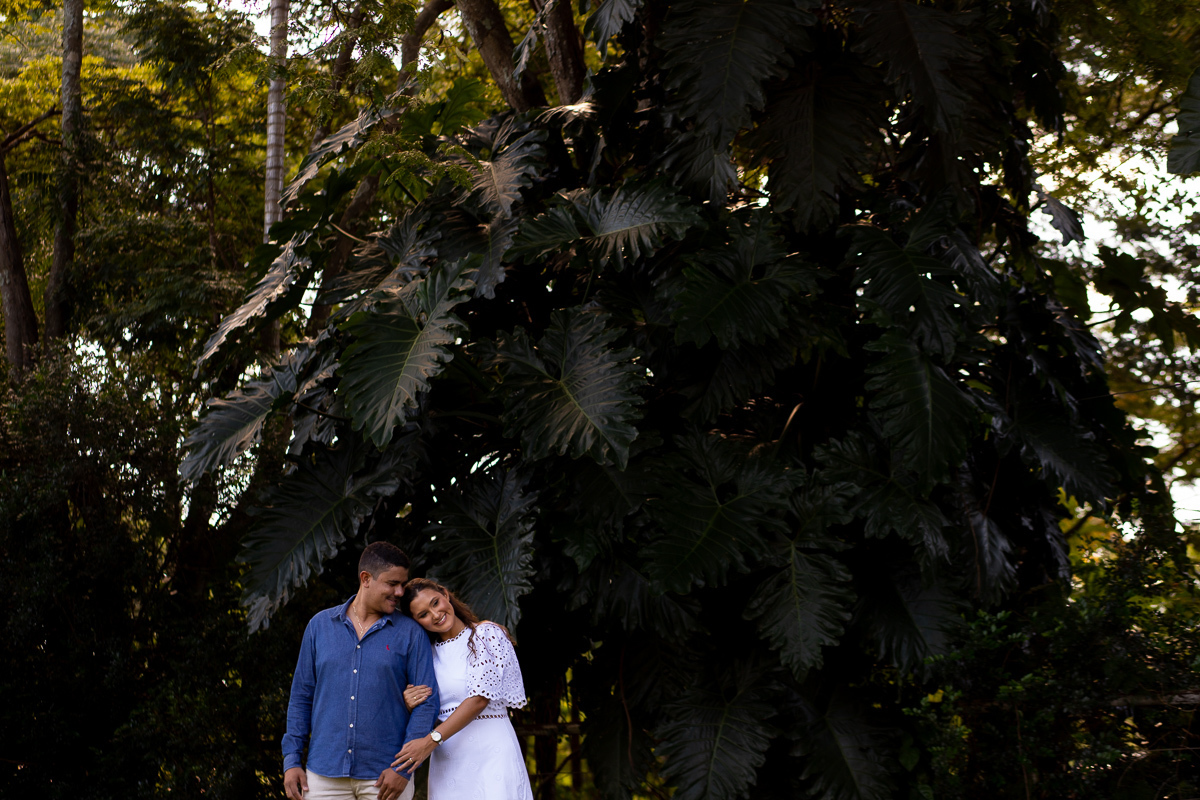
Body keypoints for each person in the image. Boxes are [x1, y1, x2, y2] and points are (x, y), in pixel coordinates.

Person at [282, 542, 440, 800]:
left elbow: (427, 701)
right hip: (323, 777)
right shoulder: (319, 627)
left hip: (386, 777)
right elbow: (301, 696)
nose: (400, 592)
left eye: (403, 584)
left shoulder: (410, 633)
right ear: (365, 578)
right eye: (392, 583)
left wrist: (404, 769)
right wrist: (291, 760)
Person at [392, 578, 533, 800]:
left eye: (435, 603)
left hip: (492, 752)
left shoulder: (486, 634)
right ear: (416, 622)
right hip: (448, 758)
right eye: (423, 615)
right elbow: (426, 704)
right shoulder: (426, 655)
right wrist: (409, 702)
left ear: (446, 595)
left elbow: (479, 699)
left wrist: (429, 742)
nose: (436, 614)